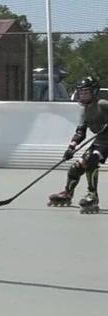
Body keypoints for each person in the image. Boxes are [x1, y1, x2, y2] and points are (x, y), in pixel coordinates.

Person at [48, 76, 108, 214]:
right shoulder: (84, 111)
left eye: (86, 92)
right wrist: (71, 148)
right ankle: (67, 193)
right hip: (100, 141)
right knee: (77, 167)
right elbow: (81, 132)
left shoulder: (103, 104)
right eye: (81, 93)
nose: (83, 95)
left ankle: (92, 195)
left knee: (92, 160)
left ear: (94, 92)